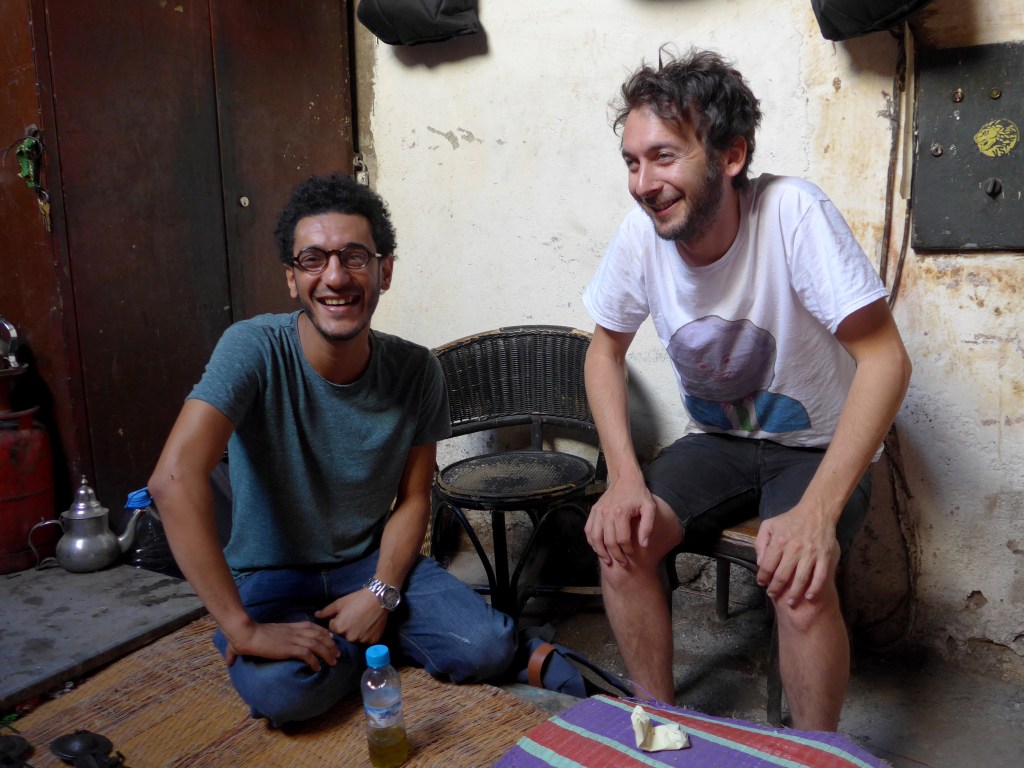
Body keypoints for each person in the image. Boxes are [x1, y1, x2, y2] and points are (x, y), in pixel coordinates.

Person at [581, 48, 912, 731]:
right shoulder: (640, 235)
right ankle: (657, 724)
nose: (644, 183)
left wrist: (817, 513)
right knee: (623, 539)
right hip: (719, 441)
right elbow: (603, 352)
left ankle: (814, 753)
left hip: (815, 448)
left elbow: (886, 360)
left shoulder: (792, 212)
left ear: (730, 156)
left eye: (664, 157)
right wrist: (623, 479)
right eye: (632, 162)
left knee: (798, 578)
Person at [149, 172, 516, 727]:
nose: (336, 277)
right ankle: (379, 645)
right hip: (269, 575)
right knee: (285, 696)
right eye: (313, 260)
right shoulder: (253, 348)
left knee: (488, 647)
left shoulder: (417, 369)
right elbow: (173, 480)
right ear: (292, 278)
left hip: (367, 564)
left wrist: (380, 592)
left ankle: (364, 635)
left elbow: (415, 499)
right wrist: (243, 629)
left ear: (385, 271)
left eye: (354, 257)